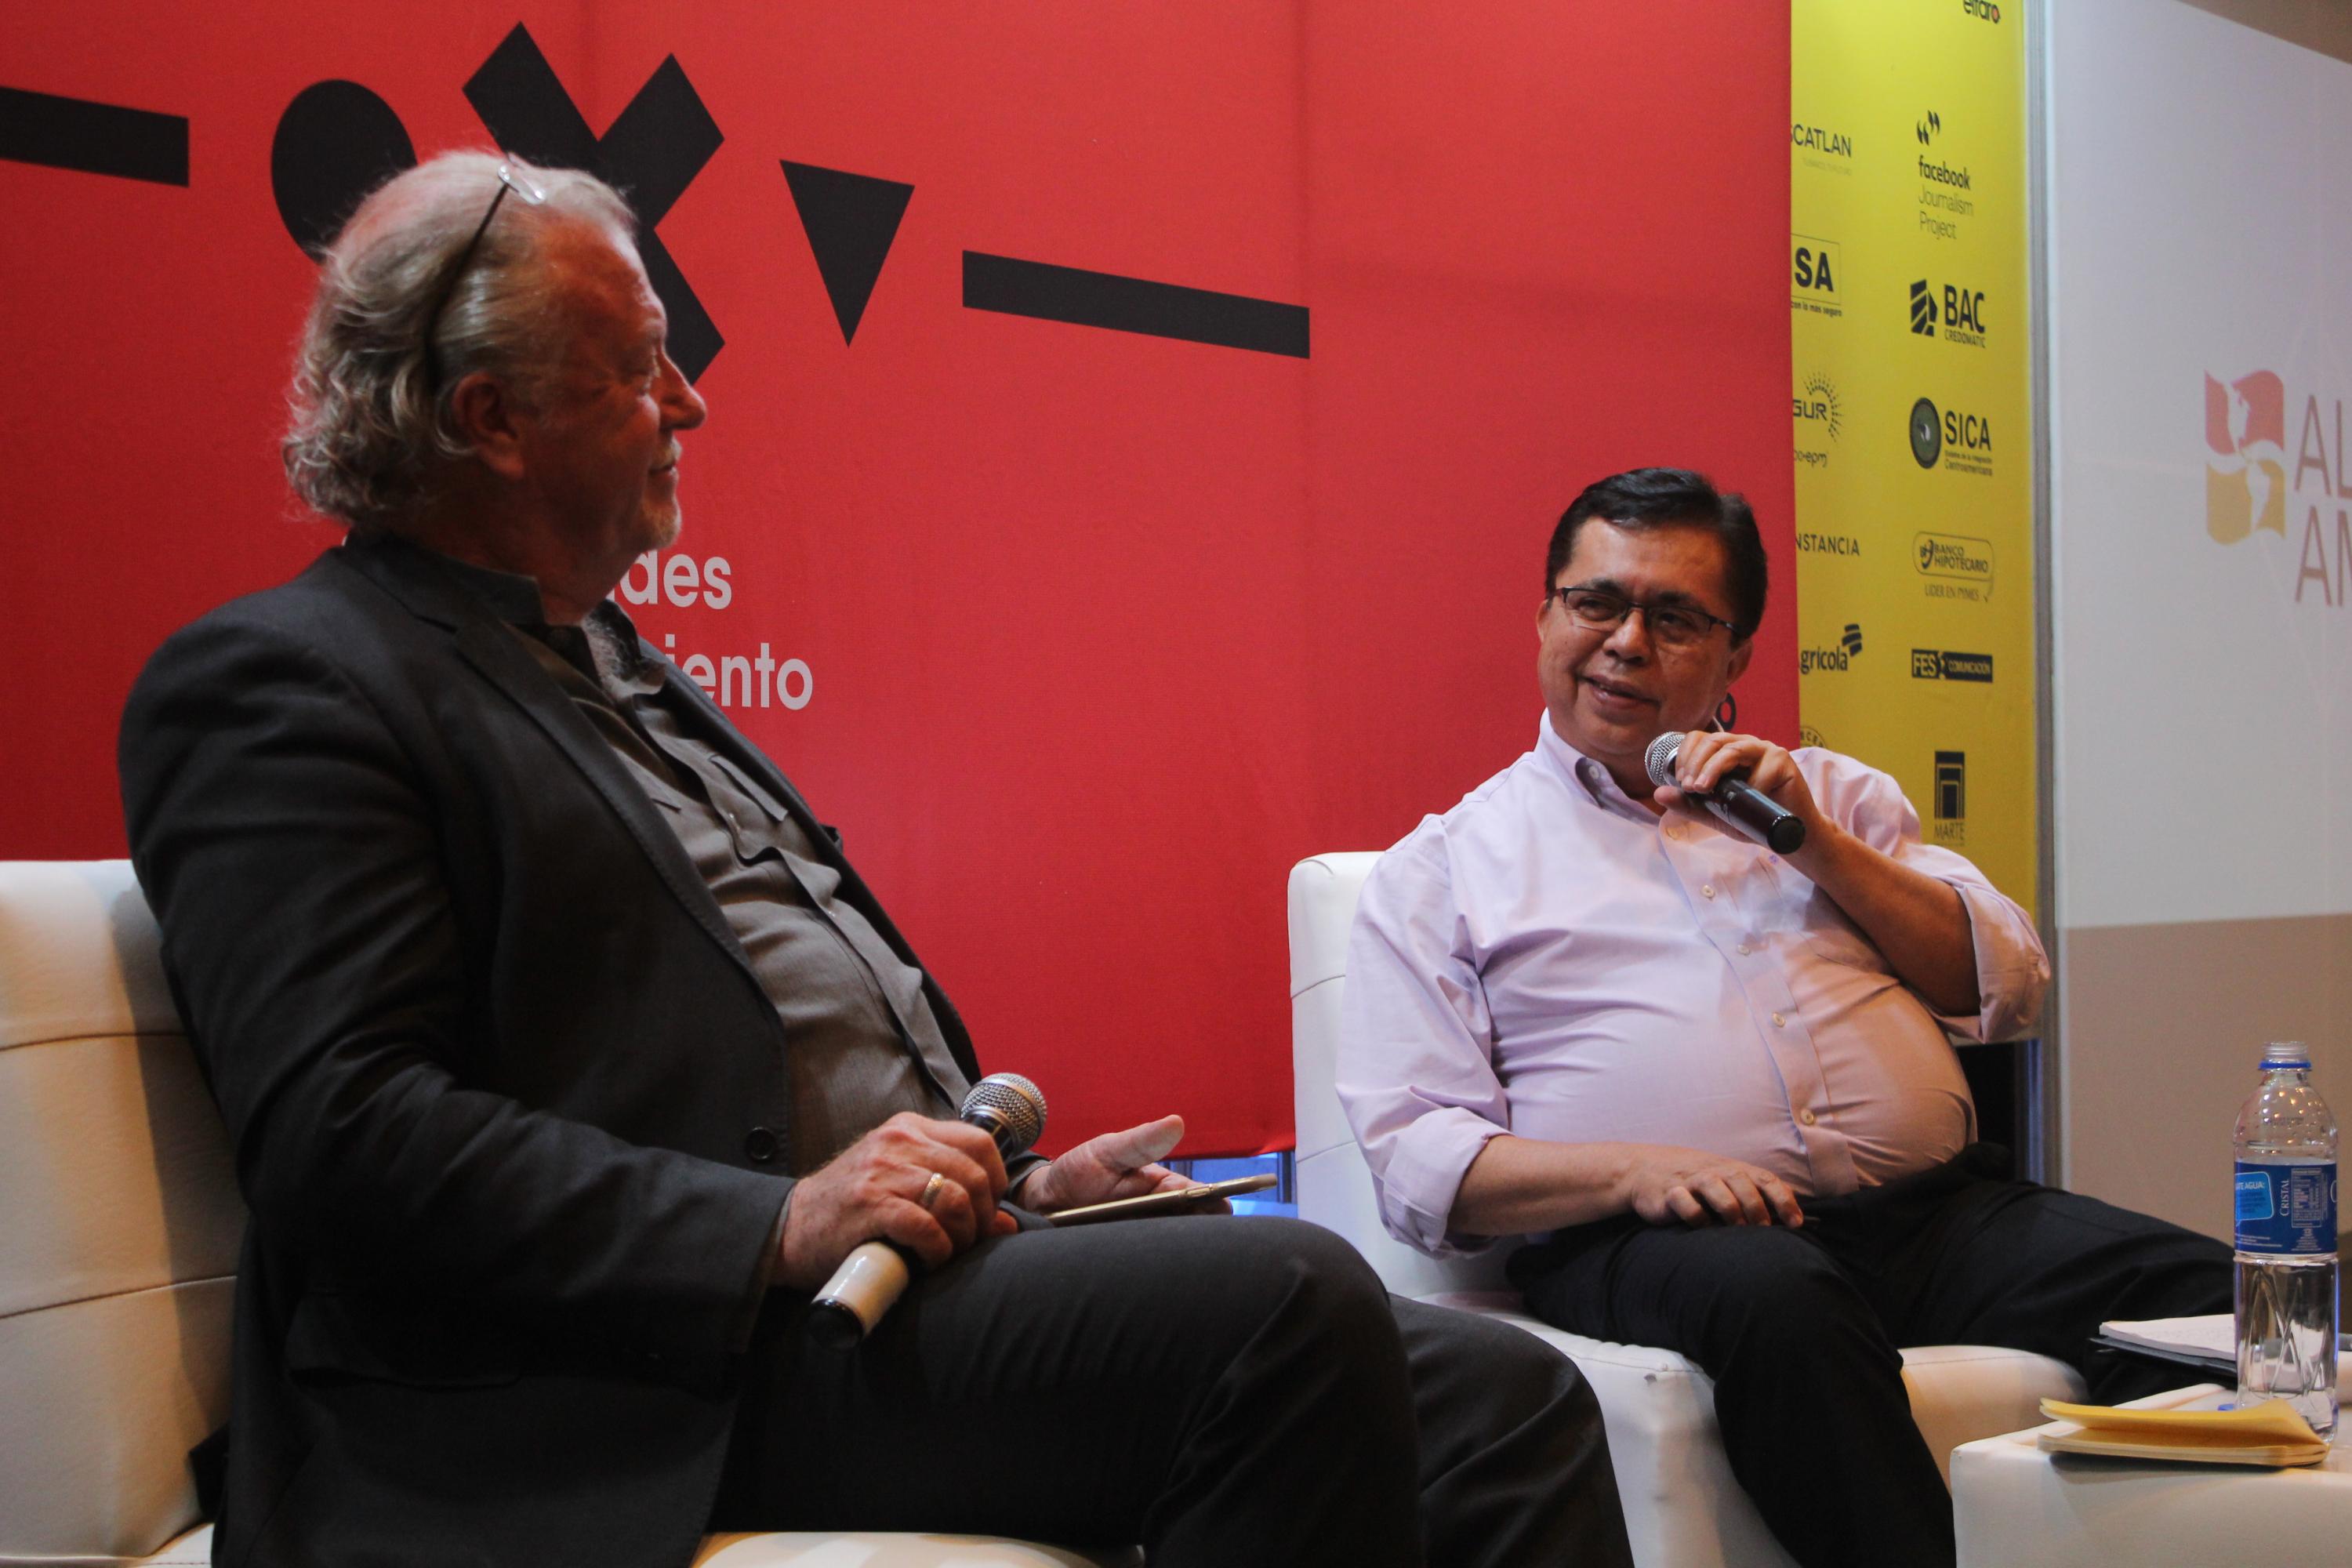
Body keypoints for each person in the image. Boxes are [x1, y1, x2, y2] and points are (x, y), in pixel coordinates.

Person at [117, 153, 1632, 1568]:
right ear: (491, 419)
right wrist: (775, 1228)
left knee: (1509, 1404)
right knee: (1280, 1301)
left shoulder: (616, 667)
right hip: (621, 1382)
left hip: (869, 1300)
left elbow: (737, 1058)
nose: (691, 403)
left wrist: (1022, 1191)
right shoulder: (286, 681)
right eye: (642, 366)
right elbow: (346, 1135)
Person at [1337, 467, 2231, 1568]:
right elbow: (1419, 1159)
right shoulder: (1445, 869)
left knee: (2216, 1305)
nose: (1625, 642)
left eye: (1674, 618)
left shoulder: (1830, 800)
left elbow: (2002, 983)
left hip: (1935, 1219)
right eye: (1596, 602)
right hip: (1660, 1243)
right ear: (1544, 617)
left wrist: (1812, 842)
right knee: (1782, 1303)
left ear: (1736, 657)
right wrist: (1633, 1171)